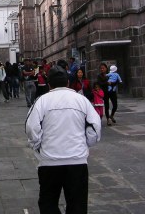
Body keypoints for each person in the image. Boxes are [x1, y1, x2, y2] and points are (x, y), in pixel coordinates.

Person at [25, 65, 101, 214]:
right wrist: (85, 144)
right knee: (77, 205)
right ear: (67, 83)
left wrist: (38, 146)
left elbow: (32, 127)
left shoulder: (42, 101)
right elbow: (95, 127)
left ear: (49, 84)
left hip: (49, 161)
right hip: (77, 161)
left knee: (48, 202)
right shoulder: (82, 100)